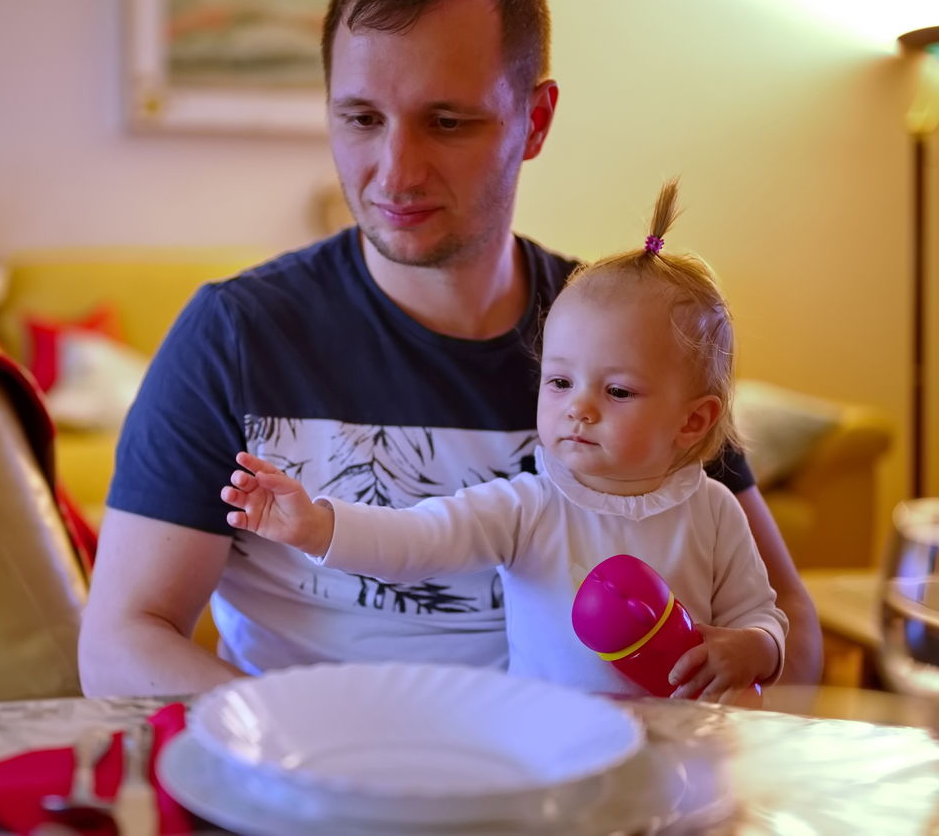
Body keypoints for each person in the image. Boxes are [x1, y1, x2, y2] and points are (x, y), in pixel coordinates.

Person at [78, 0, 820, 696]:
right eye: (362, 118)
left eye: (448, 122)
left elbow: (788, 621)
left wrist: (726, 687)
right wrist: (288, 746)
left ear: (534, 121)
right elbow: (119, 644)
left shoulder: (626, 340)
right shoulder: (234, 337)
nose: (395, 173)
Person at [220, 180, 787, 702]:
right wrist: (315, 526)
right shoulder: (528, 506)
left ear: (693, 422)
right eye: (560, 382)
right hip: (554, 753)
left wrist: (755, 649)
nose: (579, 408)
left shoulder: (712, 511)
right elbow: (417, 538)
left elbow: (763, 614)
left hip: (687, 753)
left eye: (617, 391)